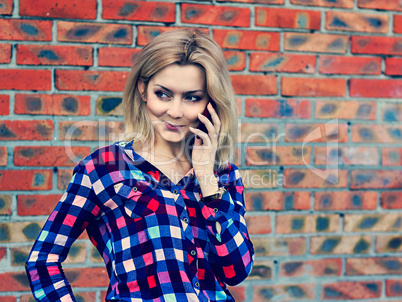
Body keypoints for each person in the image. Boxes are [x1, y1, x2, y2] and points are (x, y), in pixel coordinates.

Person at [26, 28, 254, 302]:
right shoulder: (104, 168)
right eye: (164, 94)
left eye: (192, 97)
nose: (176, 111)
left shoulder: (224, 175)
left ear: (211, 103)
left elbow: (237, 271)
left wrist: (206, 178)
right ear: (143, 89)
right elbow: (43, 260)